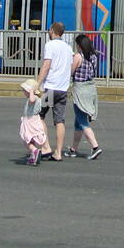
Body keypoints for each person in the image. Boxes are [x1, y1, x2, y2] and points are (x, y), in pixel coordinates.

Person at [35, 22, 73, 162]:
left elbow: (46, 65)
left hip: (50, 87)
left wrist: (37, 84)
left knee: (40, 115)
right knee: (59, 120)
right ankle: (58, 152)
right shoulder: (68, 48)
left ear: (52, 31)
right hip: (62, 89)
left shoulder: (49, 45)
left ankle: (46, 147)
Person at [65, 34, 103, 160]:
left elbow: (70, 72)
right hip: (90, 89)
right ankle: (73, 149)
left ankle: (95, 147)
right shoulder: (93, 57)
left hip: (80, 90)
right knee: (78, 122)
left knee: (83, 121)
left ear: (80, 45)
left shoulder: (78, 56)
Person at [18, 78, 52, 166]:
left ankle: (34, 150)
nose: (24, 92)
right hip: (34, 121)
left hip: (30, 122)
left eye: (25, 90)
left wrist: (31, 92)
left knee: (26, 140)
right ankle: (33, 156)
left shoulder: (33, 98)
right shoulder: (37, 98)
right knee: (31, 139)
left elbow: (32, 100)